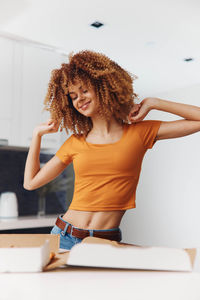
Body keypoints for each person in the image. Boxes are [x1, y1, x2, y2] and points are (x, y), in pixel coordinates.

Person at [24, 50, 200, 250]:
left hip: (105, 241)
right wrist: (37, 135)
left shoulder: (141, 133)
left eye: (84, 91)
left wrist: (154, 103)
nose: (79, 99)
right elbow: (31, 182)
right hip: (64, 236)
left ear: (102, 86)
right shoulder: (76, 142)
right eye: (73, 96)